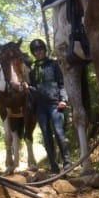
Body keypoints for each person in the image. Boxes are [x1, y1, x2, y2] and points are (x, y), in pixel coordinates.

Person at [28, 38, 72, 174]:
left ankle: (67, 164)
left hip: (55, 104)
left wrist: (63, 99)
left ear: (44, 50)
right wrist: (27, 88)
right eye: (36, 51)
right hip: (40, 107)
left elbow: (61, 83)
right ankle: (54, 167)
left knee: (59, 132)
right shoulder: (32, 71)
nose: (39, 52)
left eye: (40, 50)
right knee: (46, 136)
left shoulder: (53, 65)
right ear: (33, 53)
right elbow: (34, 91)